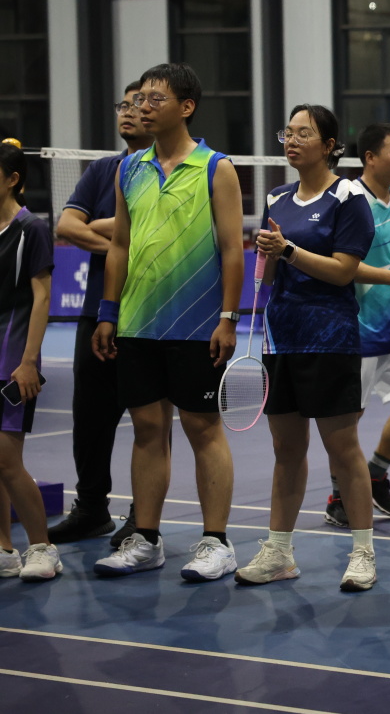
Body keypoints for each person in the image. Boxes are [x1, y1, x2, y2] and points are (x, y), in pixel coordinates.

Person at [91, 63, 244, 582]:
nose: (143, 107)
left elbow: (232, 249)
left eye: (156, 99)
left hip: (197, 325)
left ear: (186, 107)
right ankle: (147, 539)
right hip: (137, 322)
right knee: (147, 430)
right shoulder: (129, 169)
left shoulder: (215, 168)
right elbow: (119, 245)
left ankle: (216, 542)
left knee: (203, 429)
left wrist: (227, 319)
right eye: (139, 99)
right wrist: (108, 312)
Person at [235, 104, 376, 592]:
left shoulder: (348, 196)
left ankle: (363, 552)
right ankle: (279, 552)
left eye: (303, 133)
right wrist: (268, 257)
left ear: (329, 145)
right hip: (282, 338)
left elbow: (343, 271)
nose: (291, 141)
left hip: (330, 339)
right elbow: (272, 275)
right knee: (286, 449)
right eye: (287, 133)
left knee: (342, 449)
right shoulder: (276, 198)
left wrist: (289, 250)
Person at [47, 81, 148, 546]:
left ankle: (144, 517)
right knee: (89, 418)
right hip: (97, 313)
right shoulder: (102, 169)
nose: (128, 111)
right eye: (123, 104)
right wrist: (123, 248)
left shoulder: (172, 172)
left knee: (151, 423)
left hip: (151, 315)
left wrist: (106, 231)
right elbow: (68, 225)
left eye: (139, 104)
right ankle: (91, 509)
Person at [323, 122, 390, 528]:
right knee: (346, 422)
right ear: (370, 157)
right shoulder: (349, 199)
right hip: (356, 331)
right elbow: (342, 264)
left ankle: (376, 473)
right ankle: (339, 495)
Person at [0, 142, 62, 582]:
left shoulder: (31, 230)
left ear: (12, 179)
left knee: (7, 460)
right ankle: (4, 549)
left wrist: (28, 362)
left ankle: (42, 547)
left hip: (12, 360)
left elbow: (42, 298)